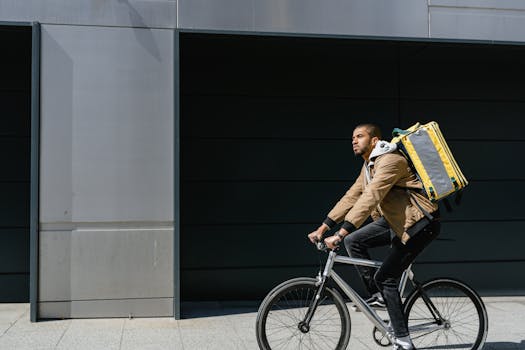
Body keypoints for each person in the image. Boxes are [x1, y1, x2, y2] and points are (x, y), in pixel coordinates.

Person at [308, 123, 440, 350]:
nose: (354, 140)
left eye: (359, 136)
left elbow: (371, 197)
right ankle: (379, 296)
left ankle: (403, 340)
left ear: (374, 140)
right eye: (352, 137)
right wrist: (323, 227)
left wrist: (340, 232)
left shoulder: (390, 160)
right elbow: (352, 197)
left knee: (386, 277)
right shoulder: (369, 166)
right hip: (396, 221)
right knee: (354, 241)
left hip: (418, 224)